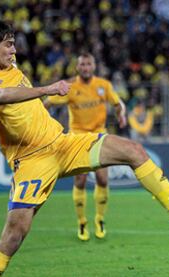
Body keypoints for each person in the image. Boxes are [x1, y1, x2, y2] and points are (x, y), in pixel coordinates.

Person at [0, 18, 169, 277]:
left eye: (14, 44)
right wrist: (48, 89)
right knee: (14, 236)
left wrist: (118, 108)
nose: (14, 50)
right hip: (31, 160)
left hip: (64, 143)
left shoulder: (10, 64)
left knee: (134, 151)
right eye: (8, 45)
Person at [44, 53, 127, 241]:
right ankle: (82, 222)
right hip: (77, 138)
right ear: (77, 67)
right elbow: (47, 103)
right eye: (82, 65)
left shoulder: (103, 86)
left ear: (94, 66)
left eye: (88, 64)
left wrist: (121, 113)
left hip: (99, 136)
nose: (85, 68)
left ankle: (100, 219)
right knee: (80, 181)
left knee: (103, 180)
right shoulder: (70, 87)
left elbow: (117, 103)